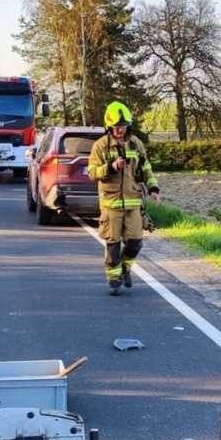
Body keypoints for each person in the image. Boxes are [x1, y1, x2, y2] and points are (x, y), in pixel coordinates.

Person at [86, 101, 160, 296]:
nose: (120, 130)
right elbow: (92, 172)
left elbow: (146, 167)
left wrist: (153, 187)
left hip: (133, 202)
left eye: (123, 126)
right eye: (116, 127)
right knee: (113, 244)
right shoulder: (100, 146)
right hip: (111, 204)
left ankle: (125, 269)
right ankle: (114, 279)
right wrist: (111, 167)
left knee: (135, 241)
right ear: (109, 126)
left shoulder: (135, 143)